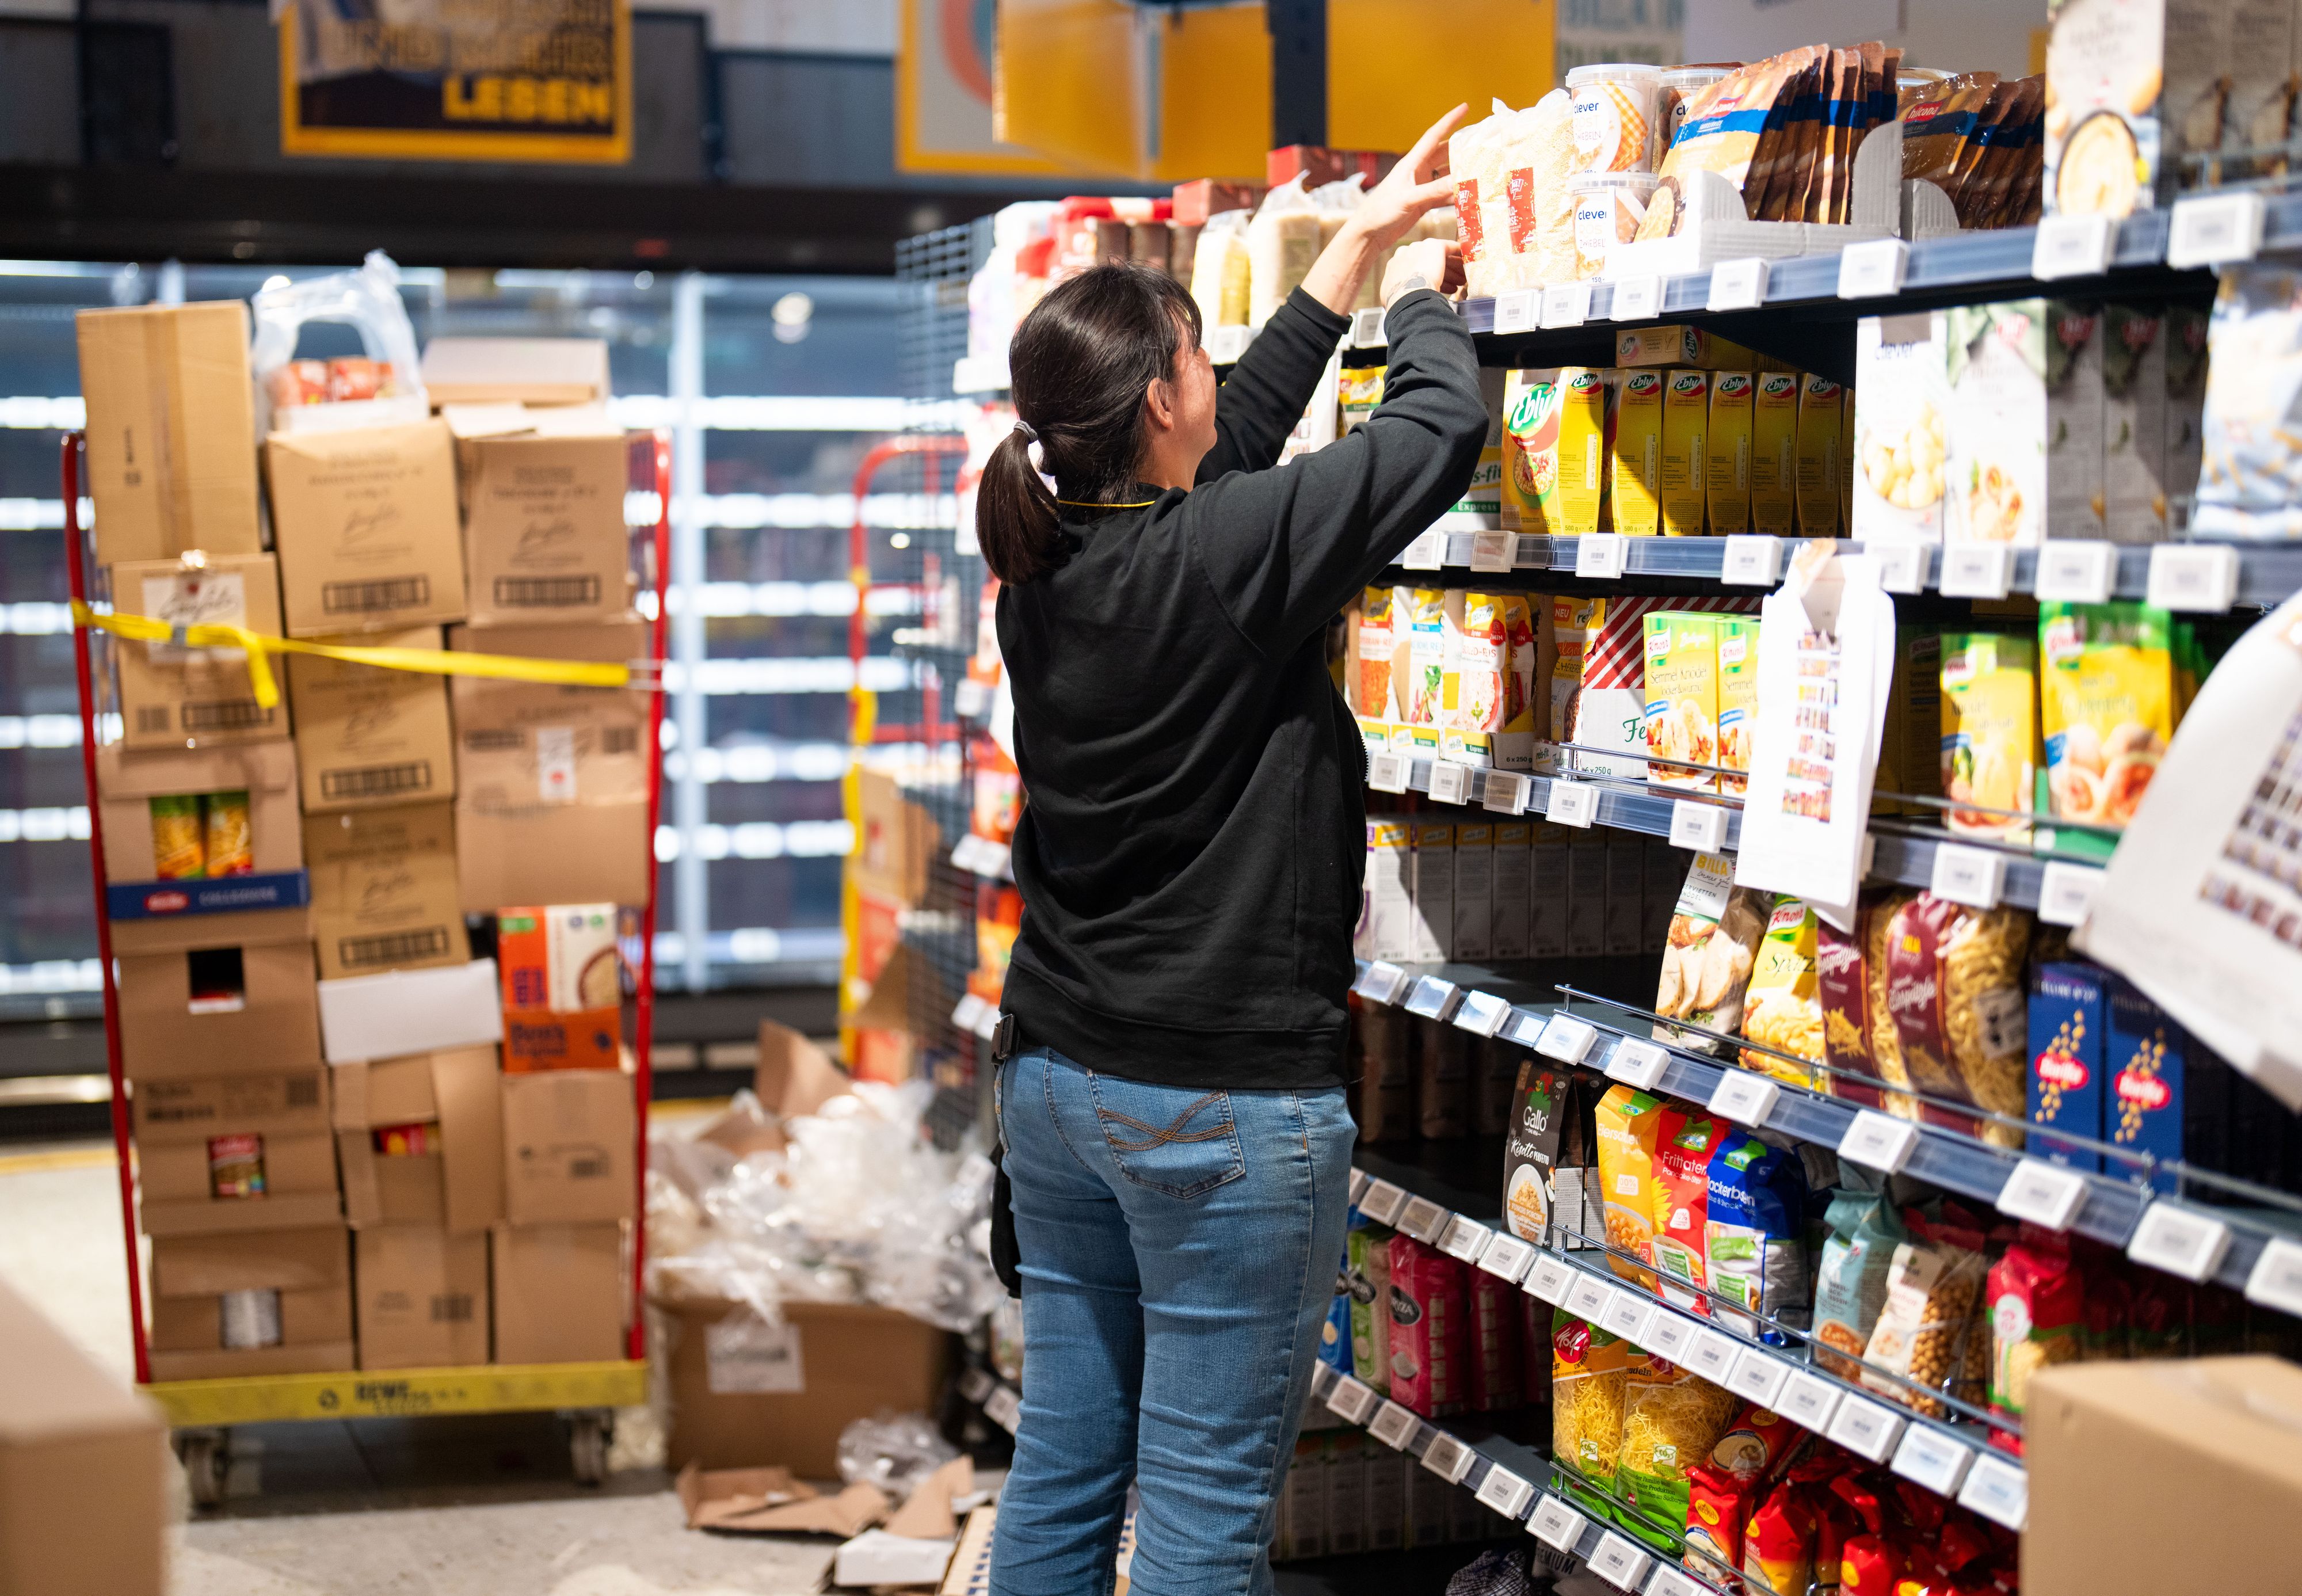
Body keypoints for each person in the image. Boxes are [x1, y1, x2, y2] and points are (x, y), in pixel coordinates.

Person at [977, 106, 1488, 1596]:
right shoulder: (1221, 556)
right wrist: (1420, 295)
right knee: (1202, 1520)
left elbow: (1235, 454)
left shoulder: (1050, 562)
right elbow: (1437, 435)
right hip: (1216, 1110)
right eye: (1199, 355)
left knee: (1068, 1469)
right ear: (1155, 402)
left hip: (1064, 1082)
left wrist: (1346, 255)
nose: (1216, 381)